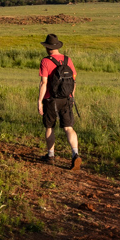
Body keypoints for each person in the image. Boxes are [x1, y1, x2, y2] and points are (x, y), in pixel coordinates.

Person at [37, 33, 80, 170]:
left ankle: (50, 155)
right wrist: (71, 96)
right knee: (68, 127)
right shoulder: (68, 60)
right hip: (66, 98)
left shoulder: (45, 61)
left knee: (50, 127)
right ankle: (75, 154)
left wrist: (39, 101)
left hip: (51, 99)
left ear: (47, 48)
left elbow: (44, 83)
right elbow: (73, 81)